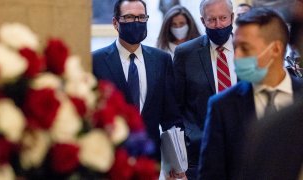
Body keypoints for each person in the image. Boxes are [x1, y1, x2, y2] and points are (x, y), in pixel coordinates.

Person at [198, 7, 303, 180]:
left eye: (245, 49)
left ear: (275, 49)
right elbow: (211, 174)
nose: (237, 56)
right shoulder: (222, 106)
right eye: (236, 47)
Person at [92, 0, 184, 176]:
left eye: (141, 17)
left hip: (150, 159)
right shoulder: (97, 61)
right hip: (110, 158)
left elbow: (171, 116)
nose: (136, 22)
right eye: (129, 17)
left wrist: (176, 162)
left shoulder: (161, 60)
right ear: (115, 22)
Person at [173, 0, 236, 179]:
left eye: (223, 18)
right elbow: (176, 107)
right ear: (203, 21)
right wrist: (181, 153)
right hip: (199, 154)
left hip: (244, 151)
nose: (218, 25)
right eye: (212, 20)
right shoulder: (185, 53)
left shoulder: (248, 49)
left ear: (232, 17)